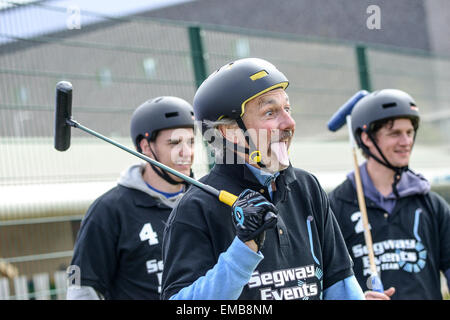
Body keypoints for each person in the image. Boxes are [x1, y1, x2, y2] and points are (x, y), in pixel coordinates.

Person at [161, 57, 366, 300]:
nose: (289, 123)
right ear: (230, 132)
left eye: (287, 109)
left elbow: (340, 284)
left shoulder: (306, 187)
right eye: (270, 112)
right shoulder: (195, 207)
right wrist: (244, 248)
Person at [66, 96, 195, 300]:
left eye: (191, 142)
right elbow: (81, 288)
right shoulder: (108, 210)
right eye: (175, 143)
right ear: (145, 147)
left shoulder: (205, 201)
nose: (186, 152)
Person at [328, 89, 450, 300]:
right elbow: (324, 284)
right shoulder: (334, 207)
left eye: (409, 132)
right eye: (395, 134)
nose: (406, 142)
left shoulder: (432, 205)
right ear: (366, 138)